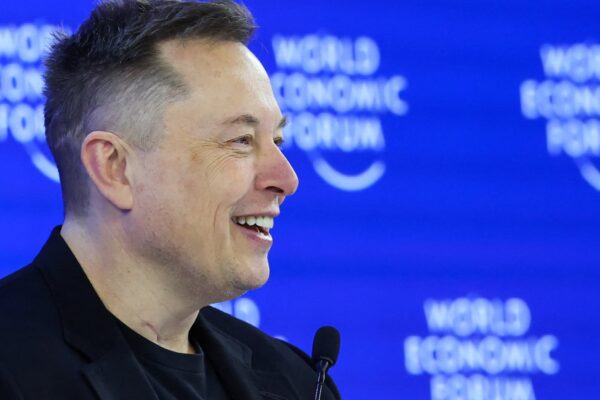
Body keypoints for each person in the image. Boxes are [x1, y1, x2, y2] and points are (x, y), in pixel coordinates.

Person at [0, 1, 341, 399]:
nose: (287, 179)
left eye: (277, 141)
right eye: (241, 141)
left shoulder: (296, 382)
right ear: (115, 168)